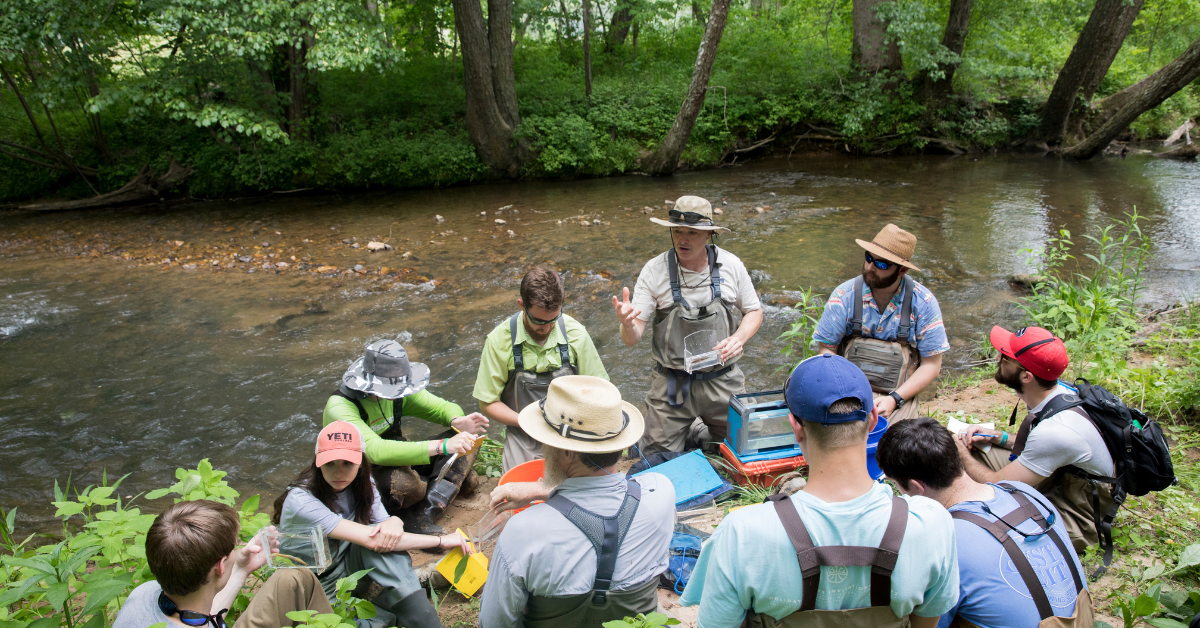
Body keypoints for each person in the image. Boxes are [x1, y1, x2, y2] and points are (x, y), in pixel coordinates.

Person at [681, 354, 958, 628]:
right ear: (874, 419)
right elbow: (925, 623)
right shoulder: (932, 524)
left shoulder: (742, 534)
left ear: (795, 428)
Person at [478, 376, 676, 628]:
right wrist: (544, 490)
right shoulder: (661, 492)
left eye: (546, 441)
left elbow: (495, 624)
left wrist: (544, 489)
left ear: (567, 452)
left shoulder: (522, 533)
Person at [877, 417, 1093, 628]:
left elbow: (929, 621)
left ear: (916, 487)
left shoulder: (943, 538)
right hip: (1082, 620)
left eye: (899, 487)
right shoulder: (1023, 492)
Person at [273, 421, 472, 628]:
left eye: (347, 463)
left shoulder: (363, 482)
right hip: (314, 587)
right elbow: (374, 539)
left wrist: (393, 521)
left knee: (385, 544)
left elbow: (384, 532)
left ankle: (424, 619)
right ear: (317, 463)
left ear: (360, 462)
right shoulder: (301, 501)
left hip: (348, 570)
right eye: (330, 463)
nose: (339, 473)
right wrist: (440, 541)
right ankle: (393, 604)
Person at [612, 195, 763, 454]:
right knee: (655, 460)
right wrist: (627, 323)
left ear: (709, 235)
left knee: (750, 447)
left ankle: (696, 432)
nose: (683, 239)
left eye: (692, 232)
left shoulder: (731, 265)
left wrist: (739, 338)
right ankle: (689, 431)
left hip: (722, 379)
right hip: (672, 385)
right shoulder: (654, 271)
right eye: (677, 231)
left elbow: (754, 311)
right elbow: (632, 338)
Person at [954, 325, 1115, 555]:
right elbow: (1042, 447)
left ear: (1026, 376)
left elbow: (997, 483)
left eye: (1006, 357)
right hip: (1062, 480)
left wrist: (962, 454)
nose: (997, 357)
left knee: (987, 528)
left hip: (1080, 512)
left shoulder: (1055, 431)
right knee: (977, 453)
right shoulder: (1061, 392)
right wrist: (1001, 438)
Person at [324, 339, 489, 533]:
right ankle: (429, 489)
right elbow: (376, 452)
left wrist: (458, 421)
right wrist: (442, 446)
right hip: (366, 473)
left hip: (400, 459)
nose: (397, 394)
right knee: (406, 486)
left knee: (467, 439)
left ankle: (423, 514)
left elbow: (442, 407)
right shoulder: (340, 407)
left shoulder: (397, 393)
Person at [113, 499, 333, 628]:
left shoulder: (145, 593)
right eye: (234, 548)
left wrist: (240, 569)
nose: (237, 549)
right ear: (219, 567)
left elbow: (199, 617)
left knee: (293, 578)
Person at [473, 266, 610, 472]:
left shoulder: (576, 334)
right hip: (523, 434)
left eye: (553, 319)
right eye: (538, 321)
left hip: (571, 432)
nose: (545, 328)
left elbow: (601, 390)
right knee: (519, 491)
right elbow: (488, 403)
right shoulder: (498, 341)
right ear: (522, 306)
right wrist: (526, 421)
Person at [812, 224, 948, 421]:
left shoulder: (924, 303)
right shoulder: (844, 295)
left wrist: (894, 399)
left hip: (899, 394)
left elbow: (932, 365)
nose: (870, 267)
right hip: (846, 392)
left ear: (902, 269)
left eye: (882, 264)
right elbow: (827, 351)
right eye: (868, 258)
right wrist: (843, 393)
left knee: (896, 443)